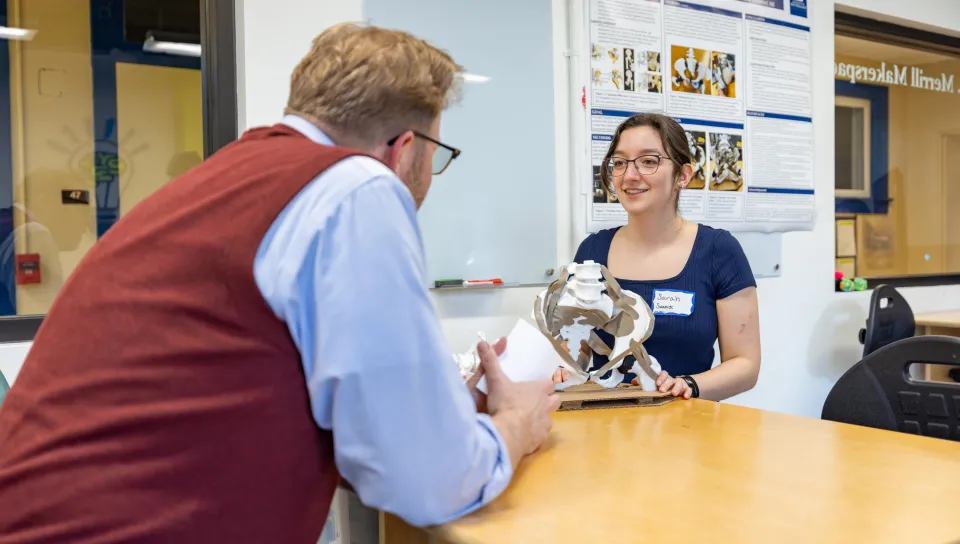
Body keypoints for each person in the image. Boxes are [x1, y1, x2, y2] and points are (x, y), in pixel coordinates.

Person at [0, 23, 560, 543]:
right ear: (405, 148)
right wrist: (515, 425)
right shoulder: (357, 187)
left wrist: (432, 412)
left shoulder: (223, 181)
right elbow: (428, 482)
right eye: (437, 154)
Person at [561, 113, 760, 401]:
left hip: (689, 428)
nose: (630, 175)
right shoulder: (592, 251)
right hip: (606, 429)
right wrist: (562, 366)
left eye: (649, 161)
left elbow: (746, 365)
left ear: (683, 175)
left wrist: (688, 385)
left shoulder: (719, 250)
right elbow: (577, 346)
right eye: (620, 163)